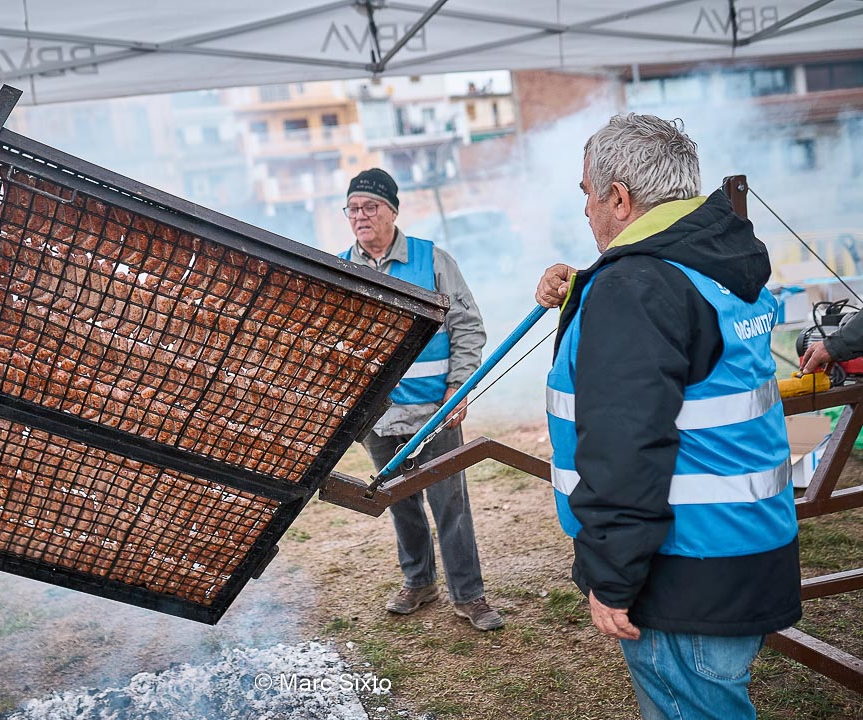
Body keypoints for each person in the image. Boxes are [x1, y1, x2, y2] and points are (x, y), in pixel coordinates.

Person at [536, 114, 801, 718]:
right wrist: (587, 292)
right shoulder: (712, 260)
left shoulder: (636, 288)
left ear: (619, 198)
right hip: (745, 545)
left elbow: (626, 446)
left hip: (684, 567)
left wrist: (612, 575)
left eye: (587, 193)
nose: (585, 211)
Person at [338, 168, 502, 631]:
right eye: (353, 208)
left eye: (370, 207)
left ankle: (469, 595)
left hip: (435, 412)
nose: (361, 216)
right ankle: (419, 582)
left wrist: (457, 389)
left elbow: (467, 325)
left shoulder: (432, 261)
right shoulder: (340, 267)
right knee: (399, 501)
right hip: (378, 417)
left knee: (450, 504)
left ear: (392, 211)